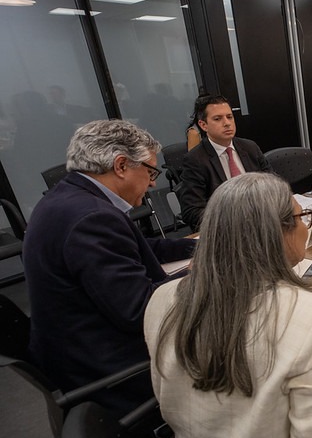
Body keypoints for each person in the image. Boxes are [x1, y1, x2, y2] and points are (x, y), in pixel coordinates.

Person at [145, 172, 312, 438]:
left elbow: (170, 406)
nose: (305, 228)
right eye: (301, 217)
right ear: (278, 234)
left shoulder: (161, 300)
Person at [24, 120, 196, 414]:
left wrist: (199, 245)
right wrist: (204, 273)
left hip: (75, 344)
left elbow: (136, 247)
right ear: (120, 166)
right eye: (150, 171)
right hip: (107, 366)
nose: (153, 182)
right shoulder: (91, 219)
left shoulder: (70, 198)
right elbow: (139, 310)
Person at [178, 95, 272, 231]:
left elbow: (272, 183)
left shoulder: (250, 147)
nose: (227, 123)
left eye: (230, 117)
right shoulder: (195, 160)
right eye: (218, 119)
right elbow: (192, 211)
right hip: (227, 230)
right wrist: (232, 221)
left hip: (261, 221)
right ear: (203, 125)